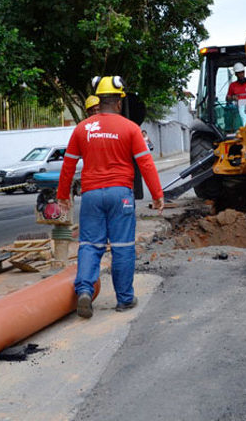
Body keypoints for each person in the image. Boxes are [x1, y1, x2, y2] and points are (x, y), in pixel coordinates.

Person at [57, 75, 164, 319]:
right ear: (118, 102)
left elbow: (68, 165)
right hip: (121, 196)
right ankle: (124, 299)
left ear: (98, 100)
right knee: (122, 247)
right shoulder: (130, 128)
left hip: (92, 195)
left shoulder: (82, 129)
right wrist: (157, 194)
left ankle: (84, 290)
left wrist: (63, 195)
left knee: (89, 245)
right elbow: (145, 163)